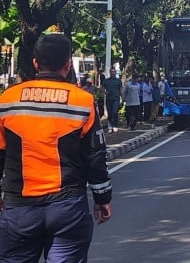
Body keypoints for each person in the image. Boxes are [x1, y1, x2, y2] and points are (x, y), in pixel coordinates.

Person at [0, 33, 112, 262]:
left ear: (35, 63)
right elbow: (95, 157)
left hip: (18, 209)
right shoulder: (82, 101)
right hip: (67, 209)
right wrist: (102, 198)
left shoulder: (7, 100)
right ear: (68, 64)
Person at [102, 67, 123, 133]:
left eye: (114, 72)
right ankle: (110, 126)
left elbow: (121, 90)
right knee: (110, 113)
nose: (113, 73)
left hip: (116, 99)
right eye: (112, 72)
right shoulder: (106, 80)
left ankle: (115, 126)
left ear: (115, 72)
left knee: (114, 112)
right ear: (110, 72)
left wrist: (123, 98)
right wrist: (105, 92)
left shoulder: (118, 81)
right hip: (109, 99)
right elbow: (101, 88)